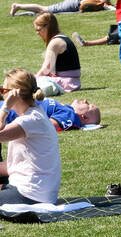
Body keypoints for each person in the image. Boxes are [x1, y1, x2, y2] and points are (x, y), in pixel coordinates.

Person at [0, 70, 61, 205]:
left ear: (13, 94)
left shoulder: (30, 120)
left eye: (2, 90)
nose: (1, 94)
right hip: (37, 191)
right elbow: (18, 165)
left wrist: (5, 108)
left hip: (31, 193)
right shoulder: (35, 114)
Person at [31, 14, 81, 95]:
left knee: (30, 82)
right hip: (72, 82)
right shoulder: (62, 37)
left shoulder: (55, 42)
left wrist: (35, 78)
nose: (37, 33)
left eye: (38, 29)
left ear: (47, 26)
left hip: (68, 83)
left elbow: (46, 69)